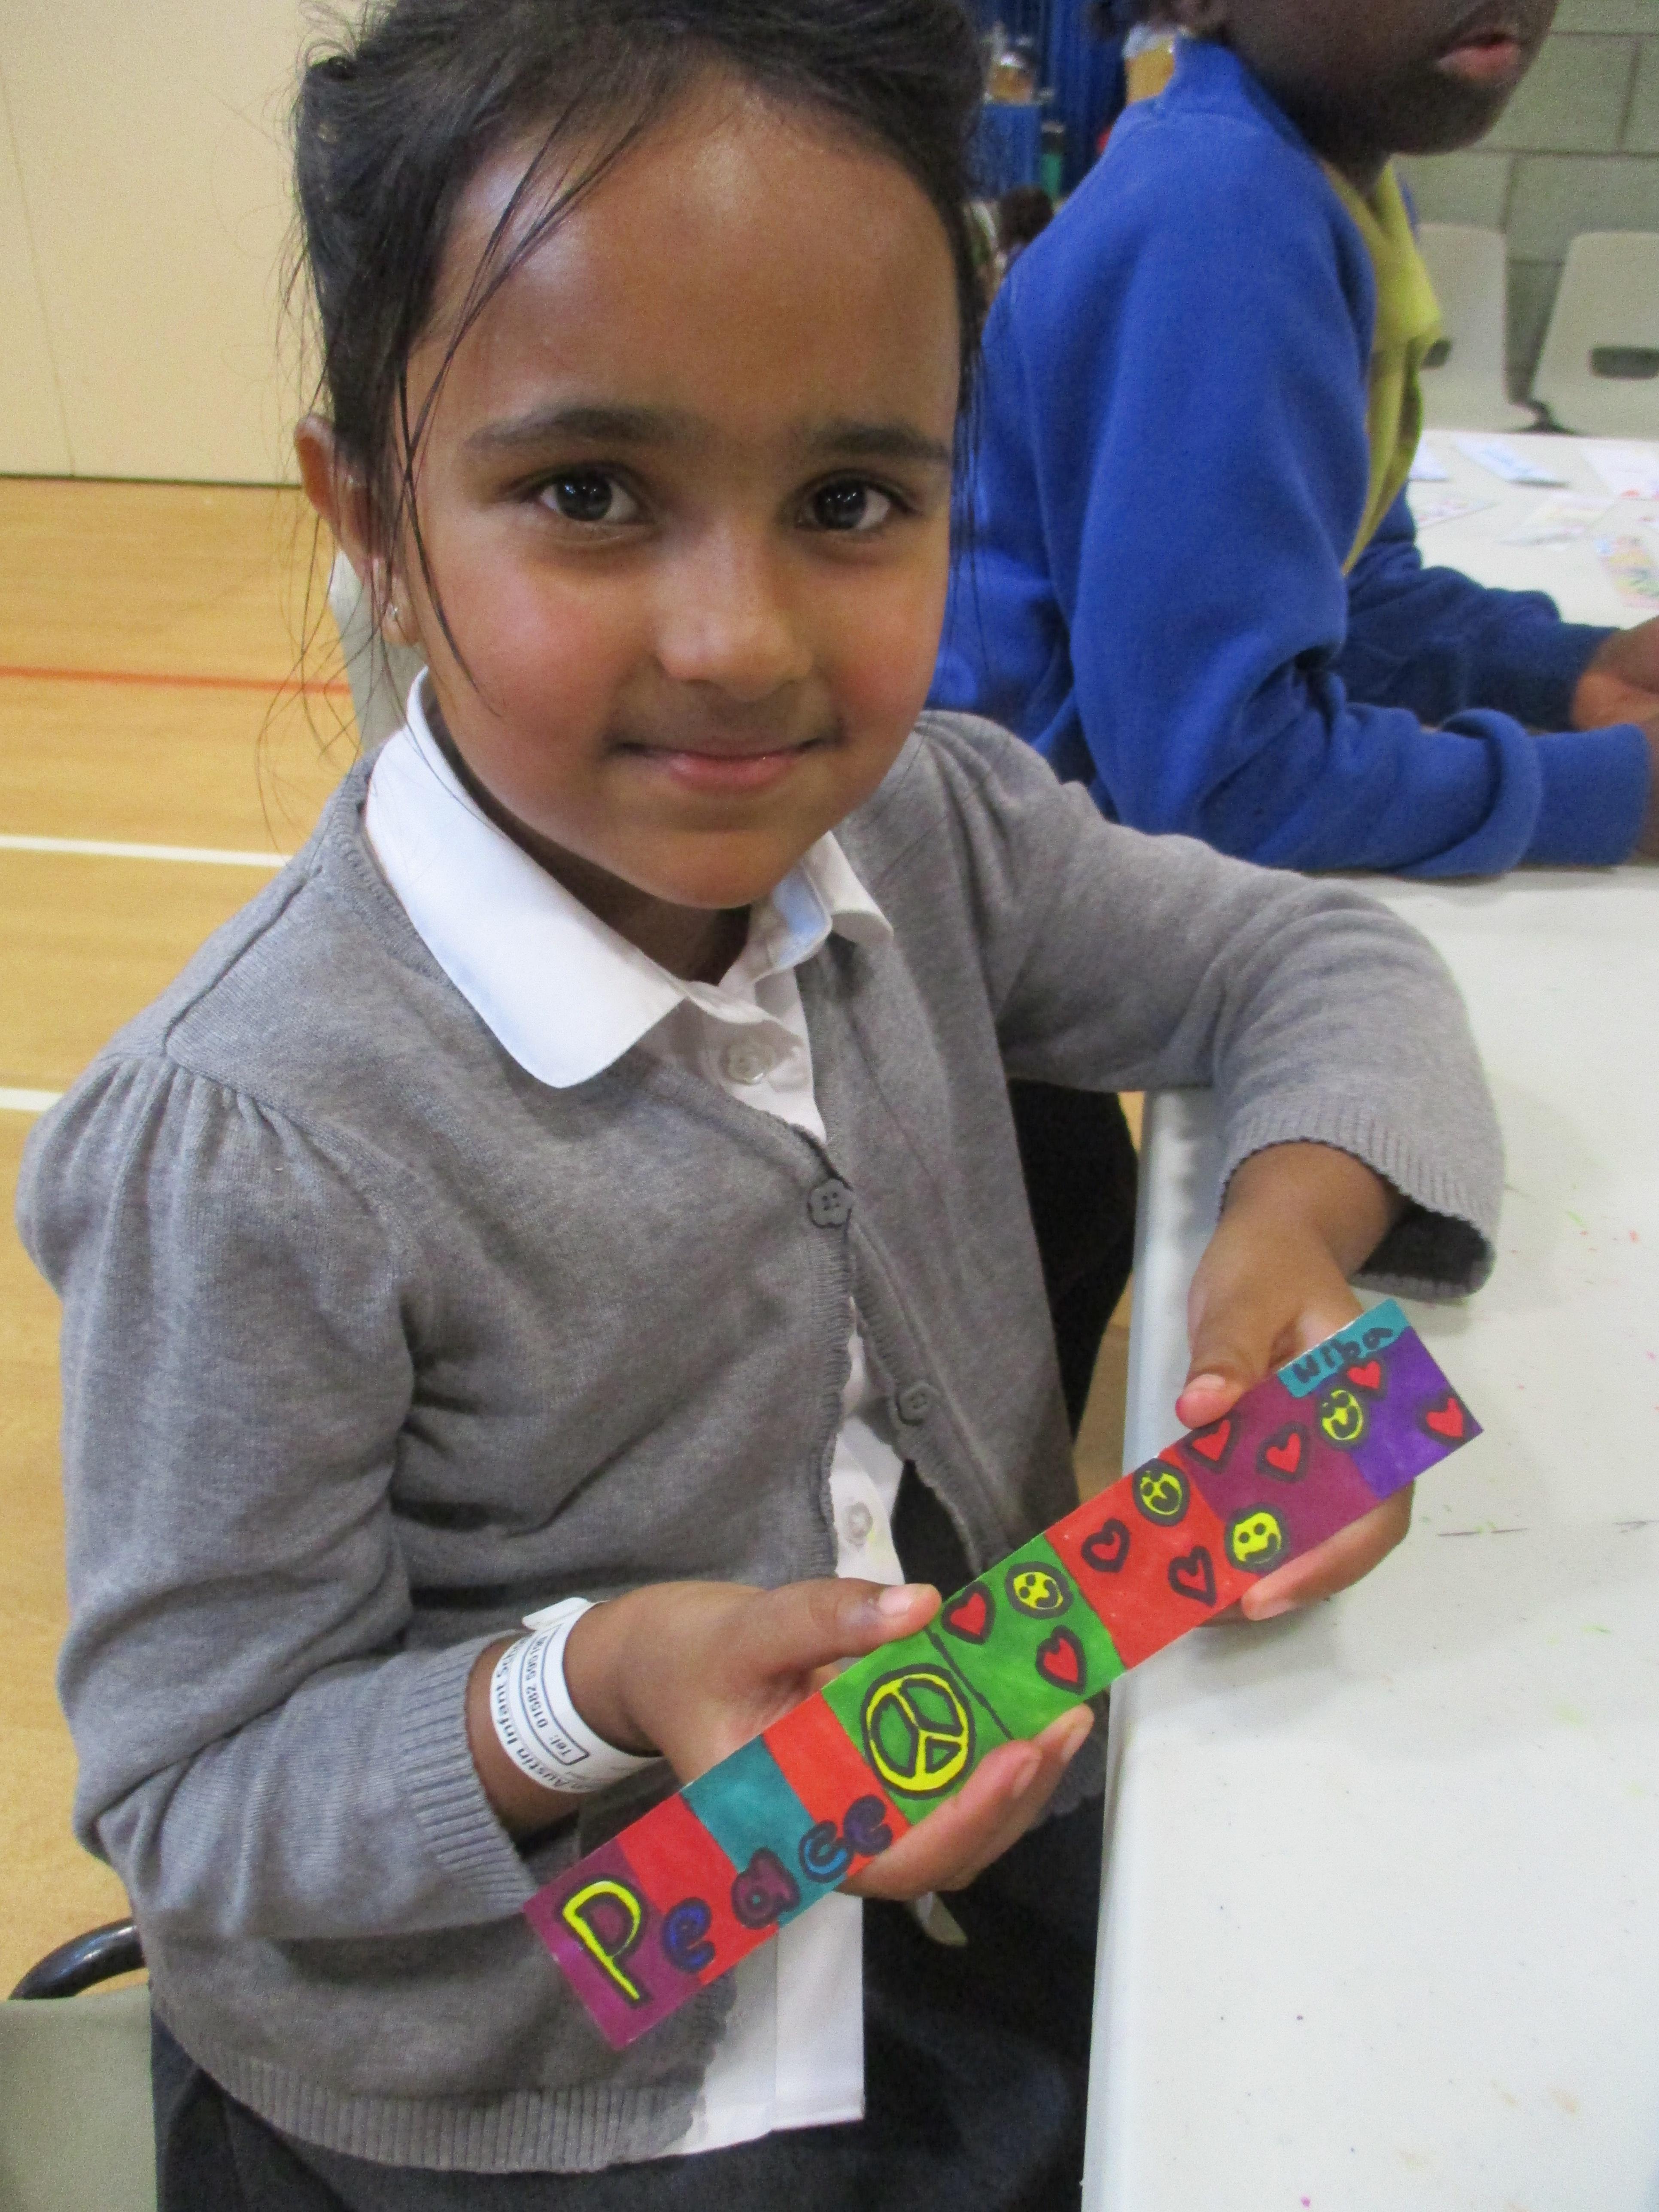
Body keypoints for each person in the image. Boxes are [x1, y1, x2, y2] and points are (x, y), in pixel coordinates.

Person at [18, 3, 1502, 2205]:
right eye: (588, 494)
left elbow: (1320, 958)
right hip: (528, 2092)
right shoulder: (254, 1138)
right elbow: (203, 1802)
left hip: (959, 1866)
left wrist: (1278, 1247)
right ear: (376, 520)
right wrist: (608, 1683)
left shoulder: (928, 826)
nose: (739, 639)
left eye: (851, 502)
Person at [932, 0, 1659, 875]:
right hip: (988, 862)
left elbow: (1348, 590)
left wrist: (1574, 671)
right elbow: (1223, 780)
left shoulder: (1329, 181)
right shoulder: (1222, 212)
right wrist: (1613, 791)